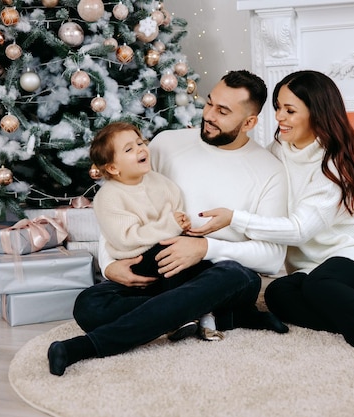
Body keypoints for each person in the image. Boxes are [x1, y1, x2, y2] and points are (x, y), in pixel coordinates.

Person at [47, 70, 290, 377]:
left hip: (220, 274)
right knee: (89, 305)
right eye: (210, 103)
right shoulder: (167, 144)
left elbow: (272, 257)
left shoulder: (269, 171)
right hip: (161, 269)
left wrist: (204, 248)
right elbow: (123, 201)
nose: (209, 115)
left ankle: (83, 347)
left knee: (236, 276)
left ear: (249, 123)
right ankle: (216, 316)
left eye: (223, 111)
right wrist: (109, 264)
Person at [189, 70, 354, 371]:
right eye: (277, 107)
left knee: (318, 286)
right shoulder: (279, 151)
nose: (279, 117)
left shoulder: (334, 164)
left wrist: (234, 219)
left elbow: (299, 229)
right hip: (315, 268)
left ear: (317, 114)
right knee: (277, 293)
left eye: (289, 110)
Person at [87, 121, 222, 341]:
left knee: (201, 261)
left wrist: (181, 222)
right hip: (137, 259)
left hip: (164, 255)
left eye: (140, 143)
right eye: (129, 149)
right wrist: (171, 226)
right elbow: (127, 239)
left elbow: (176, 211)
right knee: (90, 303)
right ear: (113, 168)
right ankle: (181, 313)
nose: (140, 149)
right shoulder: (109, 197)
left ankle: (193, 312)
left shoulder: (161, 183)